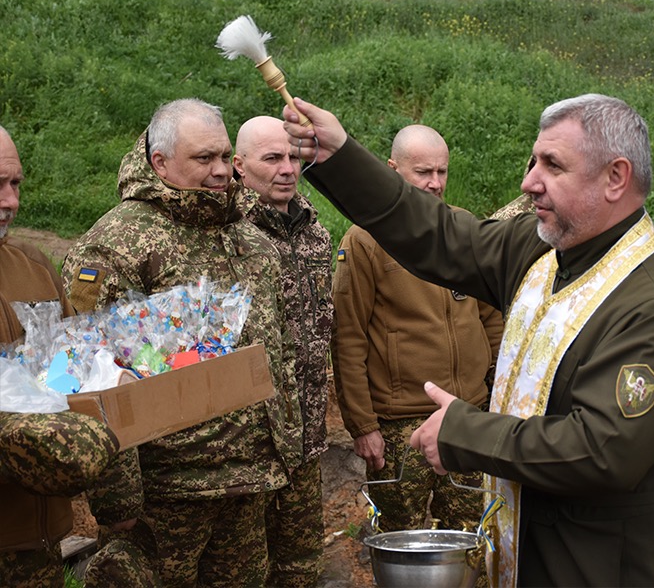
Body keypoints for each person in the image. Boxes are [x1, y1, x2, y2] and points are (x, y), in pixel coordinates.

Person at [282, 94, 654, 587]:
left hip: (610, 569)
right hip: (534, 551)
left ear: (615, 178)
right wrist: (340, 156)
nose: (529, 181)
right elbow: (437, 234)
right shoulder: (543, 251)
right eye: (534, 161)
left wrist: (466, 433)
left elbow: (601, 452)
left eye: (553, 165)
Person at [62, 99, 301, 587]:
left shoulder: (250, 240)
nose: (221, 171)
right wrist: (118, 499)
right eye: (203, 158)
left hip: (248, 481)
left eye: (224, 156)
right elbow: (87, 371)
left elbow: (280, 352)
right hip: (164, 492)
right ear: (161, 162)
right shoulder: (117, 244)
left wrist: (285, 450)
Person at [330, 124, 503, 544]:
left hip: (467, 417)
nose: (435, 183)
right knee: (401, 541)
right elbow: (348, 337)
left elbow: (491, 319)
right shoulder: (365, 241)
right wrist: (362, 426)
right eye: (423, 172)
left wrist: (499, 393)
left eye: (442, 171)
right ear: (393, 170)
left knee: (472, 537)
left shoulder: (463, 228)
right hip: (400, 427)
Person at [0, 125, 120, 587]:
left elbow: (74, 371)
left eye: (16, 184)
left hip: (37, 543)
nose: (10, 201)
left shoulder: (32, 265)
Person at [233, 115, 334, 587]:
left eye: (293, 157)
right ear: (239, 165)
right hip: (249, 444)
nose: (288, 169)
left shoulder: (315, 232)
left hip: (307, 436)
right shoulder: (228, 234)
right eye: (272, 158)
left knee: (301, 566)